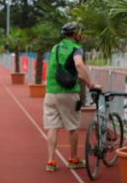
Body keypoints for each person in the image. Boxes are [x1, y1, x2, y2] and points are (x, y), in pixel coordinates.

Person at [43, 22, 101, 172]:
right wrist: (91, 84)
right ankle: (74, 159)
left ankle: (50, 161)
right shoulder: (76, 49)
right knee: (73, 127)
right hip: (68, 93)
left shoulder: (55, 48)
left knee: (52, 127)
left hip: (50, 92)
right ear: (76, 34)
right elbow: (79, 65)